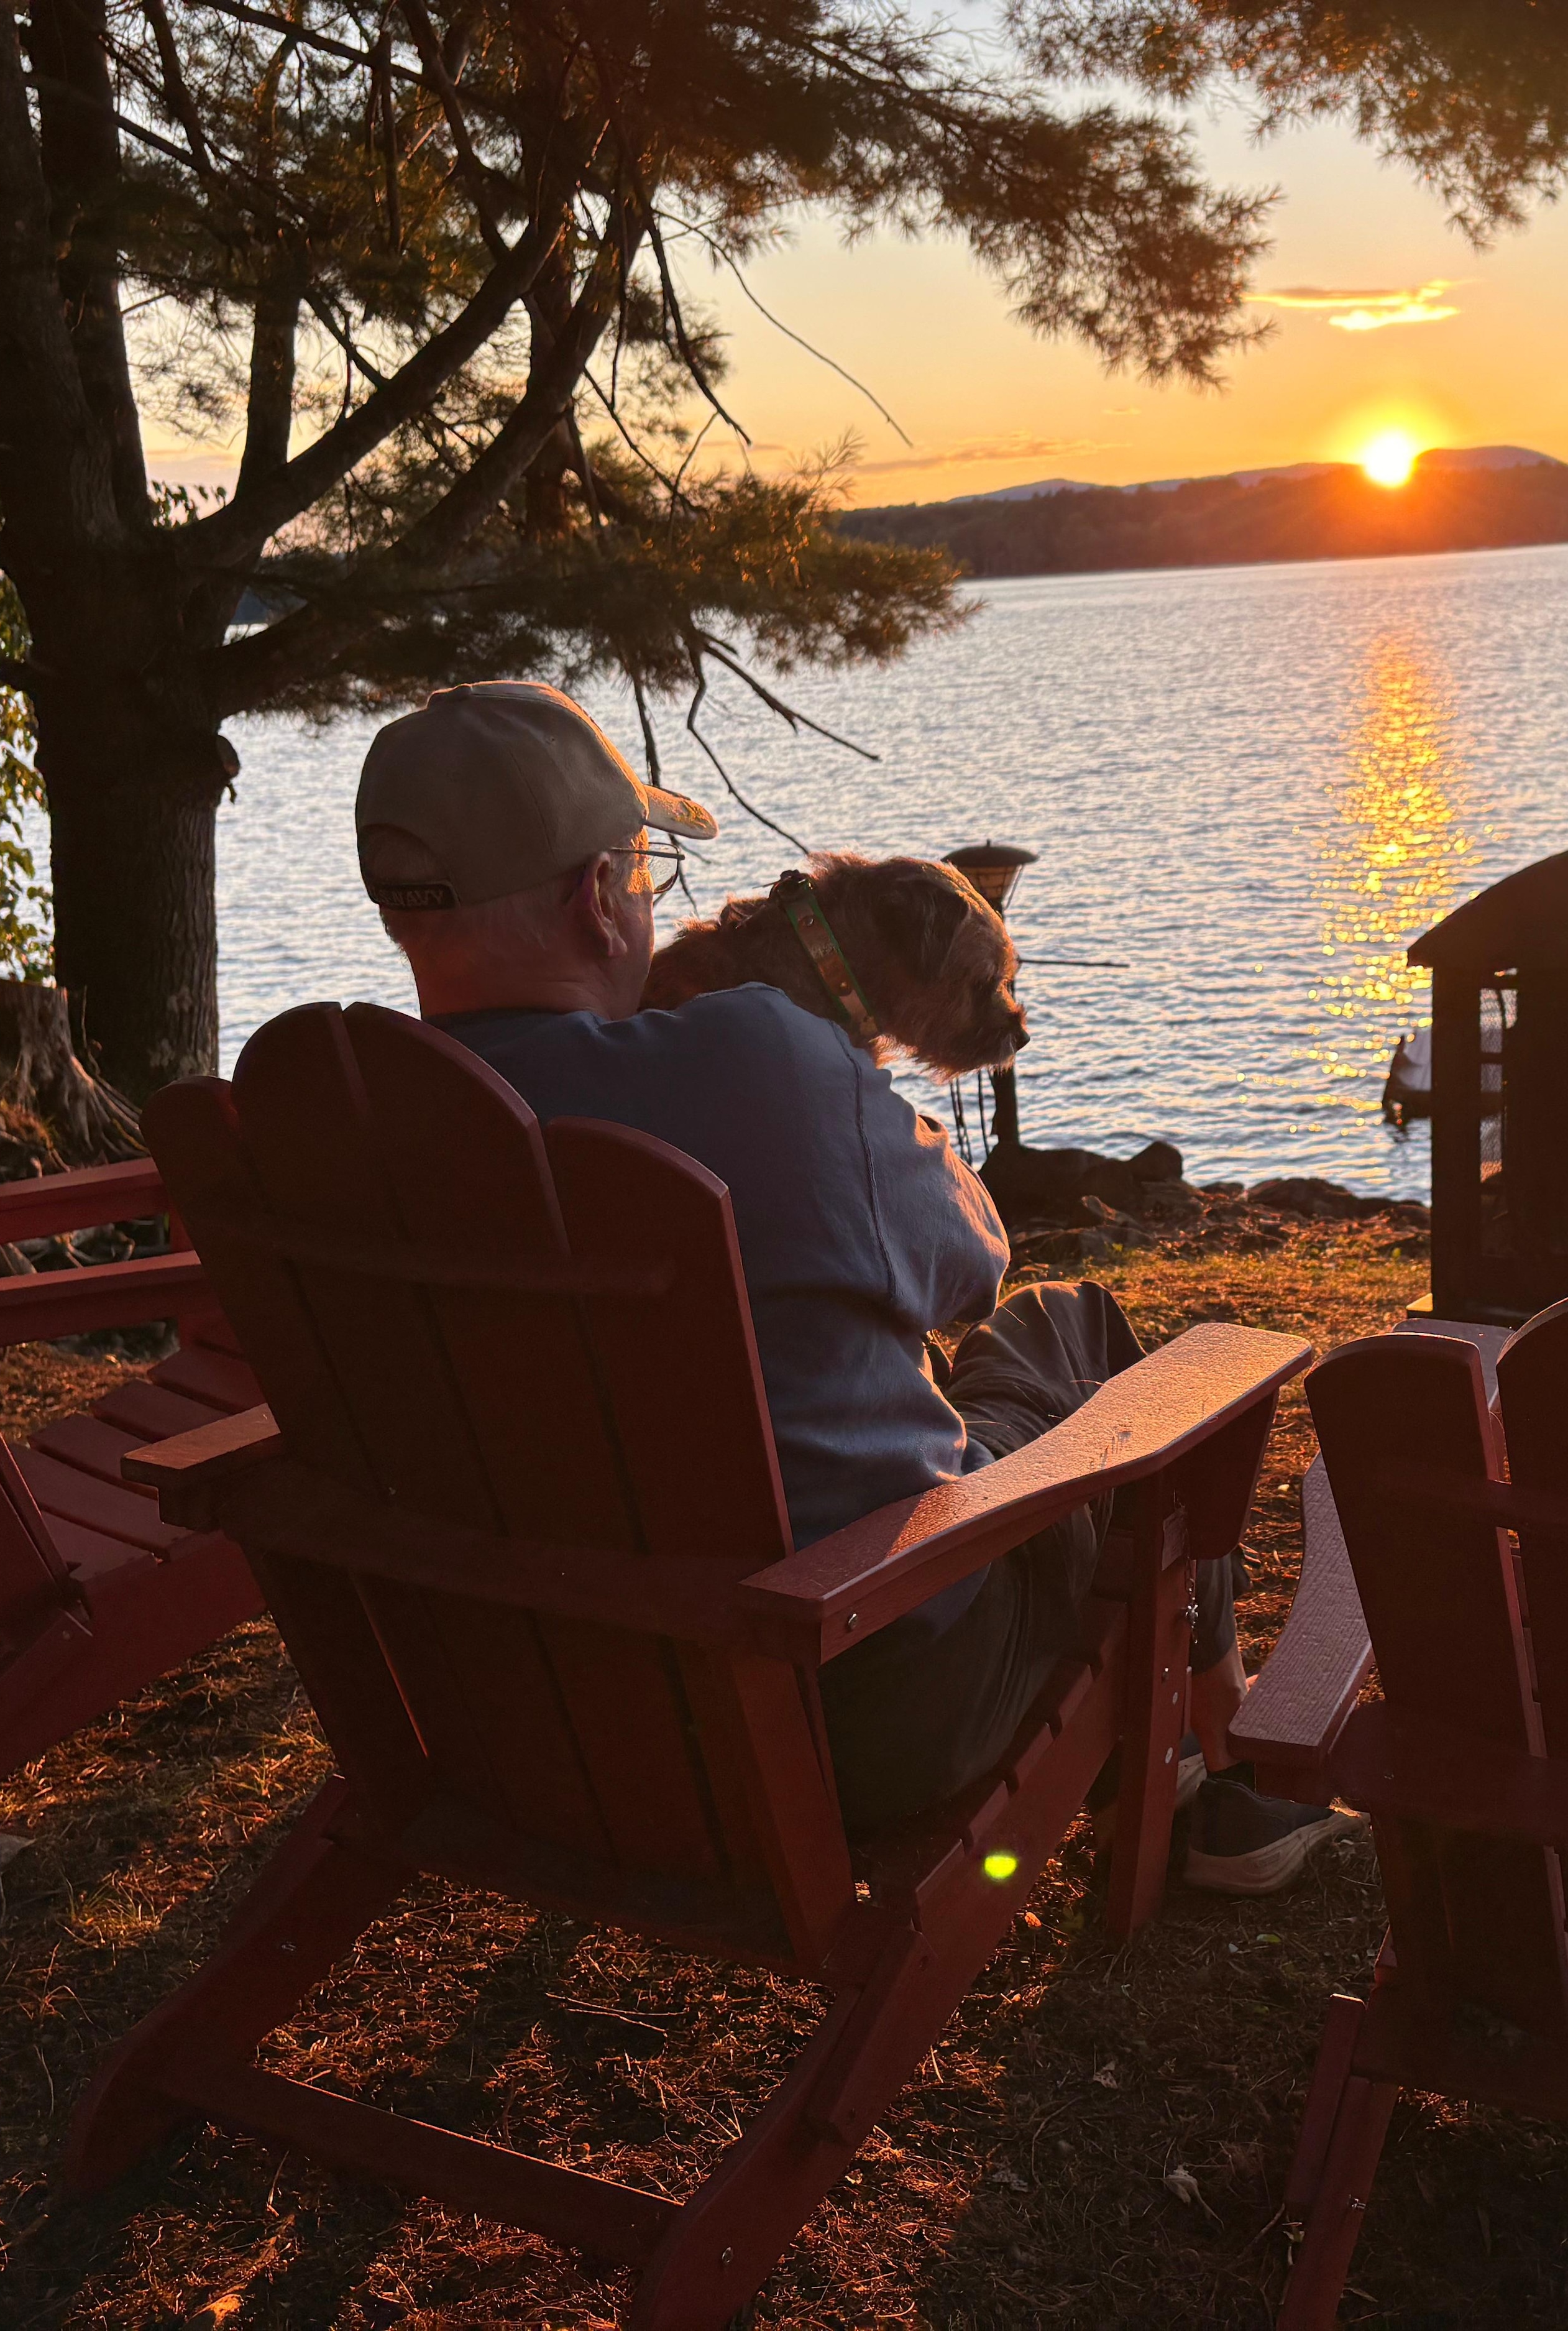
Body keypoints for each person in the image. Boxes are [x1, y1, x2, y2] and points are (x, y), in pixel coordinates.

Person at [352, 680, 1356, 1895]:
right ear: (592, 899)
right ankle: (1203, 1780)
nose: (648, 905)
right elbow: (971, 1269)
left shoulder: (338, 1124)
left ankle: (1191, 1778)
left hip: (514, 1711)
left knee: (1031, 1343)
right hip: (855, 1695)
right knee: (1078, 1330)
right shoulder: (750, 1062)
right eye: (641, 876)